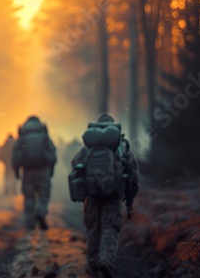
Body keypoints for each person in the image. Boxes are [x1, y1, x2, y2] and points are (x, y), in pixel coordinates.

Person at [71, 113, 139, 278]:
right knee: (110, 227)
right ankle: (106, 260)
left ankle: (93, 266)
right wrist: (130, 193)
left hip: (92, 195)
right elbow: (132, 171)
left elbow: (75, 164)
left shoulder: (88, 145)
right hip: (113, 194)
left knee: (93, 229)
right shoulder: (121, 145)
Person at [12, 116, 56, 230]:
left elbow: (16, 155)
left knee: (29, 196)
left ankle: (29, 223)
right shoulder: (44, 135)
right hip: (43, 170)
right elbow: (52, 154)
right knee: (43, 195)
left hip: (28, 171)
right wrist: (51, 170)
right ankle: (41, 212)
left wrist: (16, 170)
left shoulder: (22, 137)